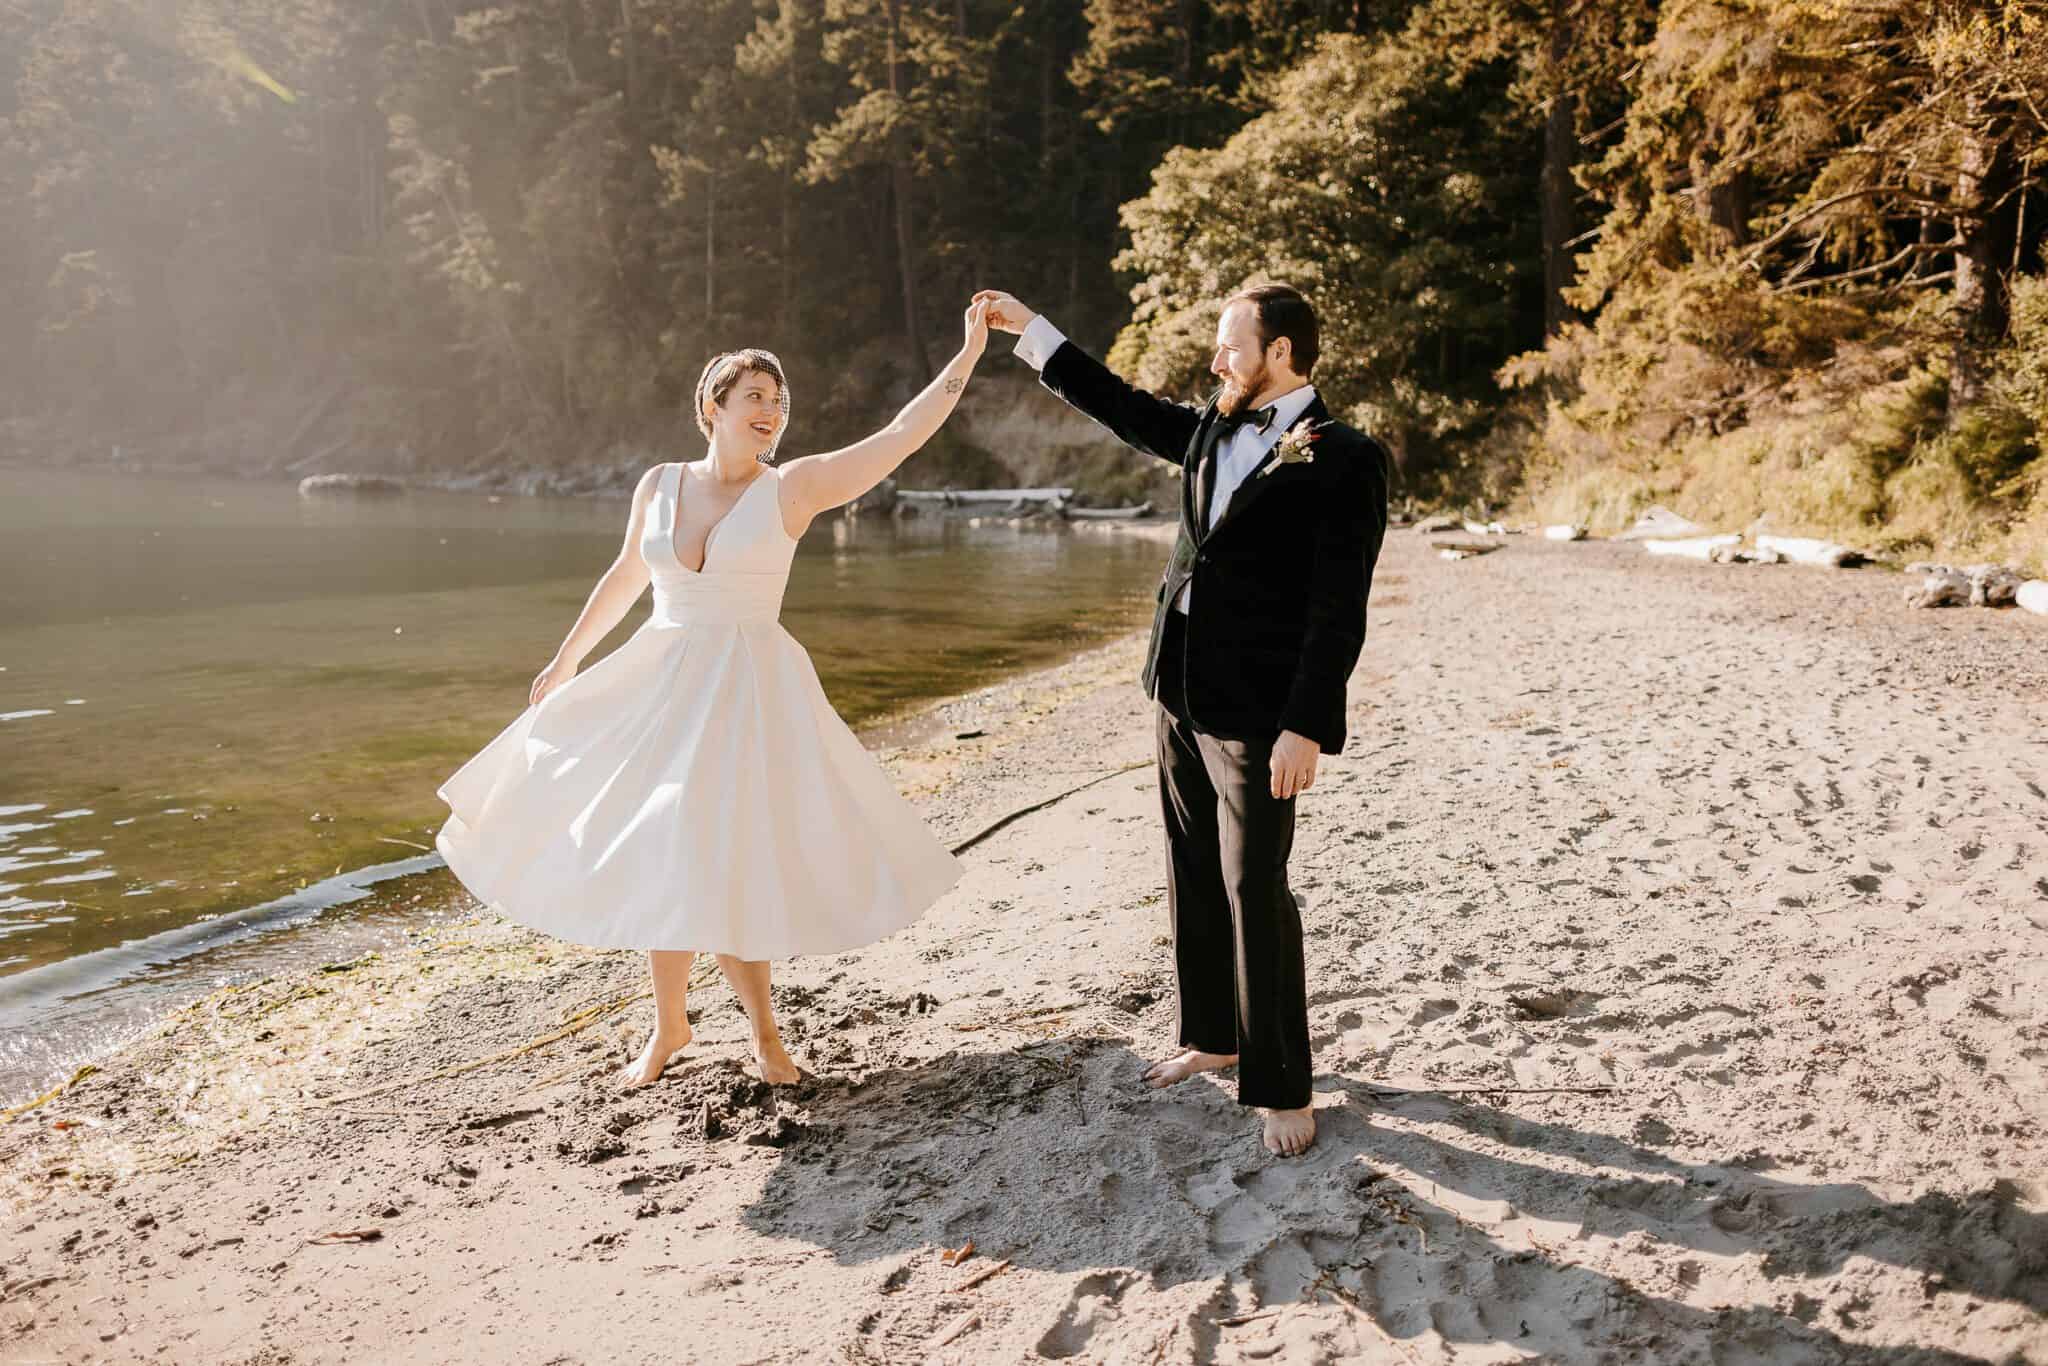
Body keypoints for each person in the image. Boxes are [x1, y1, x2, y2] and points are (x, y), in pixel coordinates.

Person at [436, 299, 997, 1089]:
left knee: (723, 858)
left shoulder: (793, 488)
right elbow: (628, 574)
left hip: (746, 692)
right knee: (666, 847)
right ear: (713, 409)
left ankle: (766, 1038)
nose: (772, 411)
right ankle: (670, 1026)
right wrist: (566, 659)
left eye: (779, 400)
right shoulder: (659, 484)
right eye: (755, 398)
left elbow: (899, 437)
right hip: (657, 686)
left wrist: (968, 352)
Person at [973, 283, 1388, 1155]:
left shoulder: (1345, 457)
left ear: (1279, 354)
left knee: (1255, 888)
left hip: (1259, 709)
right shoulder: (1208, 428)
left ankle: (1282, 1084)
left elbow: (1337, 607)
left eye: (1230, 345)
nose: (1214, 359)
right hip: (1177, 686)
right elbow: (1121, 406)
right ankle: (1214, 1036)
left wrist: (1306, 724)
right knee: (1191, 865)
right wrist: (1034, 331)